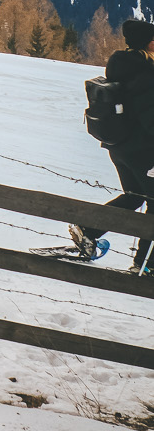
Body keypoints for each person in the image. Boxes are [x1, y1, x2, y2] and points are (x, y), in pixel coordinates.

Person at [72, 18, 154, 269]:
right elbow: (149, 116)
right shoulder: (146, 74)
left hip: (119, 146)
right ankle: (146, 264)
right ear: (150, 44)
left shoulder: (122, 65)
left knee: (134, 197)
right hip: (142, 150)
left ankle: (88, 230)